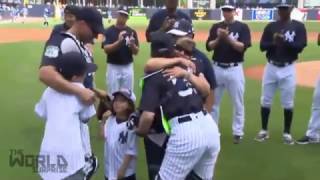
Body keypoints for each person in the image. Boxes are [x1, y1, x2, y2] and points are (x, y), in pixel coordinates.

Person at [135, 32, 220, 180]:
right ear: (172, 50)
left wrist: (140, 131)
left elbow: (148, 116)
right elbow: (207, 90)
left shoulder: (153, 77)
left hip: (185, 133)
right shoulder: (186, 68)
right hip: (210, 128)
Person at [39, 8, 104, 179]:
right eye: (94, 31)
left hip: (78, 109)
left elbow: (78, 77)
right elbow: (45, 73)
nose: (96, 36)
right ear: (82, 24)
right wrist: (79, 92)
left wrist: (95, 91)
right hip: (71, 113)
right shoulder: (60, 41)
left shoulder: (78, 43)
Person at [35, 52, 97, 180]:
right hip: (71, 156)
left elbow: (42, 112)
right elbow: (86, 118)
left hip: (48, 153)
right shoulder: (82, 91)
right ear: (75, 77)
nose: (85, 75)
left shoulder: (49, 91)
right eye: (84, 73)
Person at [255, 3, 307, 145]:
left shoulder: (298, 26)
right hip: (271, 66)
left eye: (285, 8)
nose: (282, 11)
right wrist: (273, 42)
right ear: (277, 11)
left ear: (290, 10)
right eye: (280, 9)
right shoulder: (271, 26)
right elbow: (261, 47)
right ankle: (264, 130)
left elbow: (300, 46)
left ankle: (287, 133)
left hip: (288, 68)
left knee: (288, 102)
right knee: (265, 99)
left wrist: (284, 41)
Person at [206, 5, 251, 144]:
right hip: (217, 67)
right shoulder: (216, 27)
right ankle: (213, 131)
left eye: (229, 10)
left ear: (234, 12)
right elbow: (209, 47)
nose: (226, 13)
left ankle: (238, 132)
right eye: (224, 10)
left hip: (235, 68)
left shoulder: (242, 27)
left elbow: (242, 47)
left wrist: (228, 38)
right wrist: (219, 38)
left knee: (238, 102)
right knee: (213, 102)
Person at [99, 88, 138, 180]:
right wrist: (103, 121)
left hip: (125, 172)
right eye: (116, 100)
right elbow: (102, 137)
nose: (117, 103)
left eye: (122, 101)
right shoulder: (110, 120)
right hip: (109, 170)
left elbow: (131, 150)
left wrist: (123, 170)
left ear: (129, 105)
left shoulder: (131, 124)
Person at [102, 6, 139, 95]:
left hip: (127, 66)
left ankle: (128, 109)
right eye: (121, 14)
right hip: (113, 66)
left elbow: (136, 52)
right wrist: (118, 42)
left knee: (127, 94)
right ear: (117, 14)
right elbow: (106, 49)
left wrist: (132, 45)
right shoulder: (108, 31)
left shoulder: (131, 32)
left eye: (125, 15)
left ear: (127, 18)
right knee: (112, 93)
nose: (122, 17)